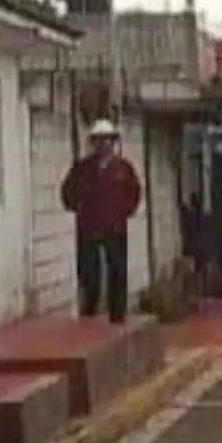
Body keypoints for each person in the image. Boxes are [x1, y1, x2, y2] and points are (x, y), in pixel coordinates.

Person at [60, 119, 142, 323]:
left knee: (117, 269)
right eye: (99, 140)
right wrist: (78, 208)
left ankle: (117, 314)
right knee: (89, 272)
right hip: (89, 227)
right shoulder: (82, 168)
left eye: (107, 140)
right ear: (93, 143)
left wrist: (124, 212)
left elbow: (134, 193)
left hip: (115, 227)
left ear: (113, 143)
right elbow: (67, 192)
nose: (103, 144)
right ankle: (88, 313)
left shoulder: (123, 168)